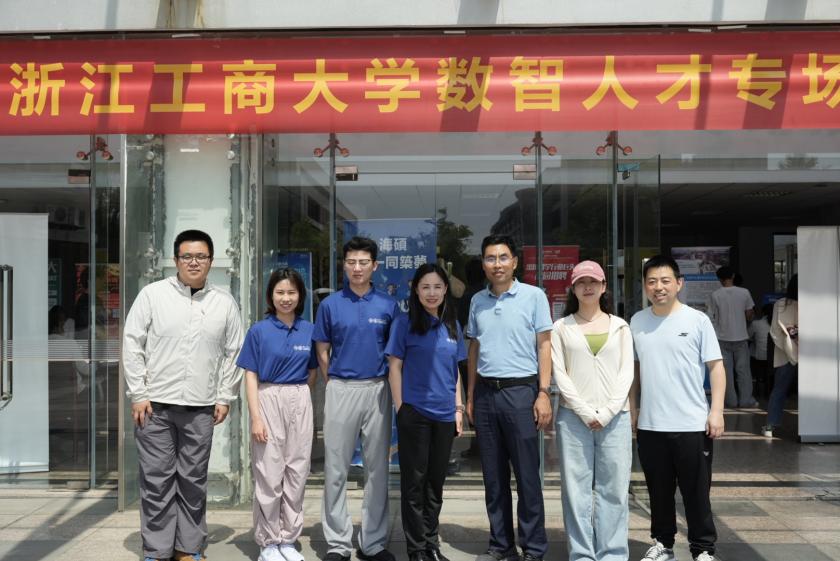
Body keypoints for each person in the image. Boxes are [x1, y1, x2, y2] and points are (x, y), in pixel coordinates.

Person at [123, 229, 243, 561]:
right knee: (156, 481)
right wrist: (138, 393)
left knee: (193, 480)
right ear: (175, 260)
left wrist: (225, 396)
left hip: (201, 408)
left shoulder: (224, 303)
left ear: (211, 261)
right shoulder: (152, 295)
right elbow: (132, 343)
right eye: (187, 256)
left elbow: (235, 352)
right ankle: (157, 549)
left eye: (201, 256)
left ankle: (188, 547)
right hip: (154, 407)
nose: (194, 262)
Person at [630, 255, 725, 561]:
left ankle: (703, 549)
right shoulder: (637, 321)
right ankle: (663, 544)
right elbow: (634, 370)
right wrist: (633, 409)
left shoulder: (697, 320)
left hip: (692, 424)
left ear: (679, 284)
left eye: (665, 280)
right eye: (652, 281)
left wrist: (716, 411)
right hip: (651, 424)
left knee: (696, 492)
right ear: (645, 286)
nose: (658, 287)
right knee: (658, 491)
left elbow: (716, 367)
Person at [465, 234, 553, 561]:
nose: (497, 264)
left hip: (521, 393)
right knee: (493, 477)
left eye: (503, 257)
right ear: (483, 264)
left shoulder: (534, 296)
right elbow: (473, 349)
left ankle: (533, 548)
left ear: (514, 262)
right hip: (486, 394)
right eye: (490, 258)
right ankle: (501, 545)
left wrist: (543, 392)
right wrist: (471, 396)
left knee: (527, 476)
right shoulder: (478, 301)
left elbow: (545, 345)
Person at [314, 236, 400, 561]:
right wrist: (335, 382)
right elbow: (322, 350)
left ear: (374, 266)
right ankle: (338, 543)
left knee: (377, 470)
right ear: (344, 265)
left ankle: (373, 542)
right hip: (341, 388)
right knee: (335, 469)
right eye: (351, 262)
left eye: (364, 262)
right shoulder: (330, 304)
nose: (357, 268)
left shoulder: (388, 305)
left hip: (377, 389)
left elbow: (394, 355)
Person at [550, 261, 633, 561]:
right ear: (572, 288)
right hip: (573, 419)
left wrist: (608, 411)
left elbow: (626, 372)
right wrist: (585, 411)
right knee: (576, 491)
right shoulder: (561, 328)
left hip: (616, 419)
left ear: (604, 287)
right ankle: (582, 554)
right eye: (581, 282)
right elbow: (560, 374)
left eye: (593, 282)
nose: (588, 287)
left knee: (615, 490)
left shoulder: (620, 327)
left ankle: (612, 553)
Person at [386, 263, 466, 561]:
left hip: (445, 415)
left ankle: (432, 544)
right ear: (416, 291)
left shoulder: (452, 325)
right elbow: (394, 367)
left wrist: (458, 408)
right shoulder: (404, 324)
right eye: (425, 287)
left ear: (445, 290)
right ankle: (416, 548)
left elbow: (455, 372)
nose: (432, 293)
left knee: (435, 484)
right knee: (414, 484)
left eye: (437, 287)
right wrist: (401, 408)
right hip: (415, 413)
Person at [237, 269, 319, 561]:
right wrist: (256, 417)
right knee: (269, 473)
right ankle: (269, 542)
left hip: (300, 398)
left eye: (292, 292)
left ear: (300, 296)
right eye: (280, 292)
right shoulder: (258, 331)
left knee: (297, 471)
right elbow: (250, 375)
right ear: (270, 296)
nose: (286, 298)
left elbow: (312, 371)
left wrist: (298, 398)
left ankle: (288, 539)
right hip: (268, 397)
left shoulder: (309, 330)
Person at [707, 266, 756, 408]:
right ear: (733, 276)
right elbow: (749, 315)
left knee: (726, 373)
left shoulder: (715, 295)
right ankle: (745, 400)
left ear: (719, 279)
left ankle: (731, 401)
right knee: (743, 371)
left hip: (722, 338)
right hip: (741, 337)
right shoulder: (744, 292)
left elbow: (711, 316)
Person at [762, 275, 799, 438]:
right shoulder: (812, 303)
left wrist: (787, 346)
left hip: (785, 354)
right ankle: (811, 426)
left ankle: (770, 425)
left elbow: (775, 331)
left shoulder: (780, 304)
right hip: (809, 355)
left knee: (779, 389)